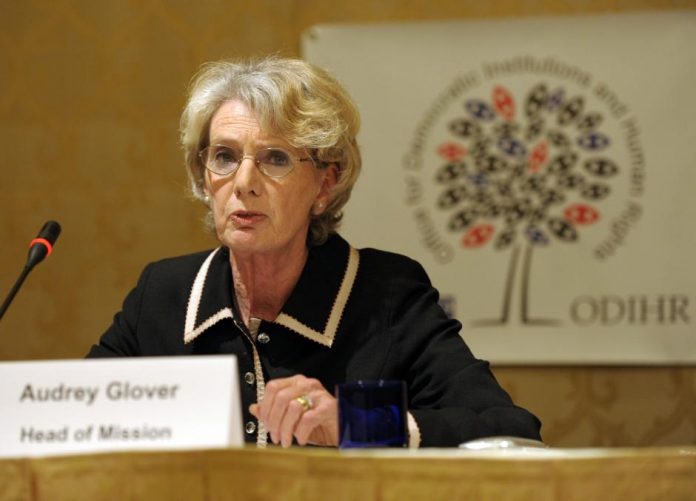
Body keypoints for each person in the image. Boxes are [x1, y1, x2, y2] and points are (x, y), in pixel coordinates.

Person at [87, 57, 541, 448]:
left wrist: (356, 423)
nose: (243, 182)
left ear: (325, 184)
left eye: (276, 158)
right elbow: (77, 420)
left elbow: (511, 430)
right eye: (224, 156)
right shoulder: (165, 294)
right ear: (204, 178)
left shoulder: (387, 296)